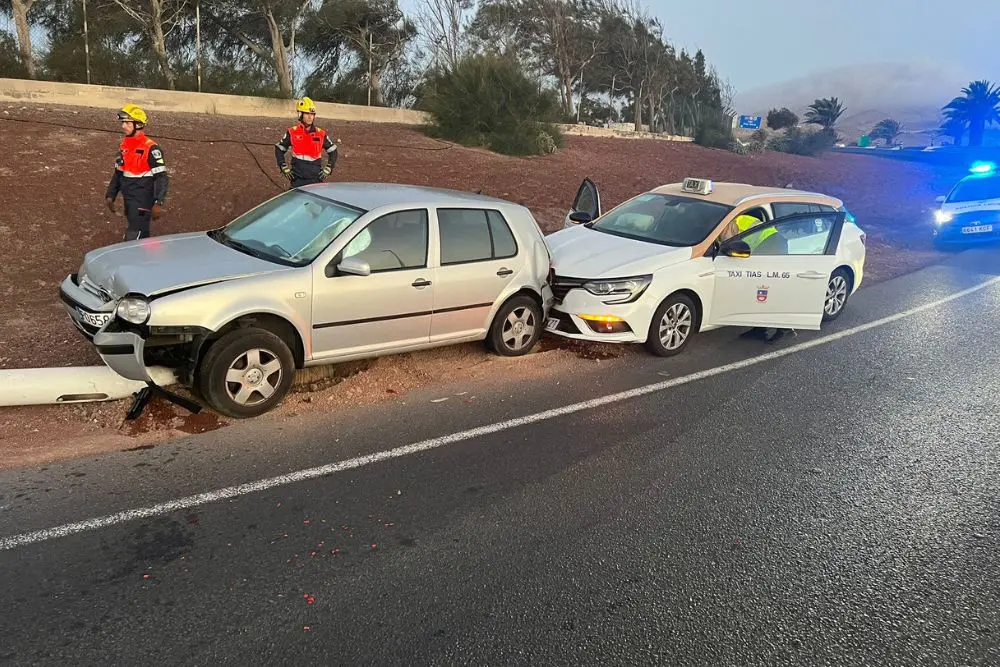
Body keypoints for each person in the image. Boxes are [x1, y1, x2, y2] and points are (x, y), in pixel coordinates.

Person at [105, 104, 168, 241]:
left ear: (138, 124)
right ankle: (144, 258)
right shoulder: (124, 146)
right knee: (138, 233)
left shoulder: (151, 149)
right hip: (129, 198)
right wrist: (111, 194)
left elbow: (161, 177)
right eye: (123, 123)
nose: (123, 126)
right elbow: (119, 173)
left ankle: (135, 257)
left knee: (135, 234)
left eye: (127, 123)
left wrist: (159, 202)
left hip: (143, 200)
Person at [274, 96, 338, 188]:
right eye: (307, 113)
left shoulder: (320, 134)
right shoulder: (292, 132)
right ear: (300, 114)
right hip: (297, 179)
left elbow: (333, 151)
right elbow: (279, 149)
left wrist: (329, 168)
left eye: (312, 114)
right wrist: (283, 166)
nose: (310, 117)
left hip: (315, 179)